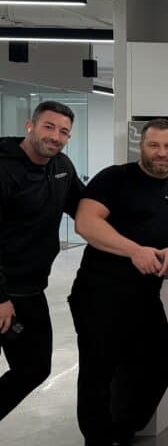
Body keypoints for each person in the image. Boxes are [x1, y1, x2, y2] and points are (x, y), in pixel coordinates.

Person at [71, 118, 168, 446]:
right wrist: (134, 251)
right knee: (99, 372)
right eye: (154, 145)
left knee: (159, 369)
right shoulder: (114, 178)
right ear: (141, 146)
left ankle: (118, 437)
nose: (161, 153)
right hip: (100, 291)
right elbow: (86, 222)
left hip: (144, 295)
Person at [0, 101, 83, 420]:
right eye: (49, 127)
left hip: (30, 289)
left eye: (64, 132)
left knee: (34, 368)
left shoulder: (61, 166)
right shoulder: (4, 169)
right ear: (30, 126)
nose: (56, 137)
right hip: (3, 290)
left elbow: (83, 207)